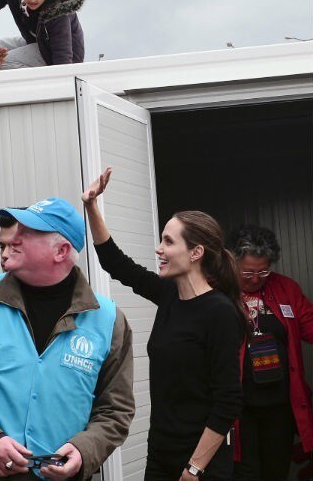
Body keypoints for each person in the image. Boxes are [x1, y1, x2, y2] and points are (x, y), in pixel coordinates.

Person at [83, 167, 244, 480]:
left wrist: (194, 468)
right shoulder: (169, 294)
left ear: (196, 252)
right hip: (160, 452)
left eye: (168, 242)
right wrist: (91, 206)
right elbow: (114, 262)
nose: (159, 249)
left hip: (200, 463)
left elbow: (228, 401)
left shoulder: (220, 313)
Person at [0, 197, 134, 480]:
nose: (13, 238)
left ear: (61, 250)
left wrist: (83, 449)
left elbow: (115, 410)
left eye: (28, 232)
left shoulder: (108, 320)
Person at [227, 225, 313, 481]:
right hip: (240, 408)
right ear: (233, 262)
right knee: (246, 473)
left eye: (263, 271)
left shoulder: (286, 288)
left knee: (277, 471)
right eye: (249, 272)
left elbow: (310, 325)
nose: (256, 278)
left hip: (280, 404)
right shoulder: (218, 291)